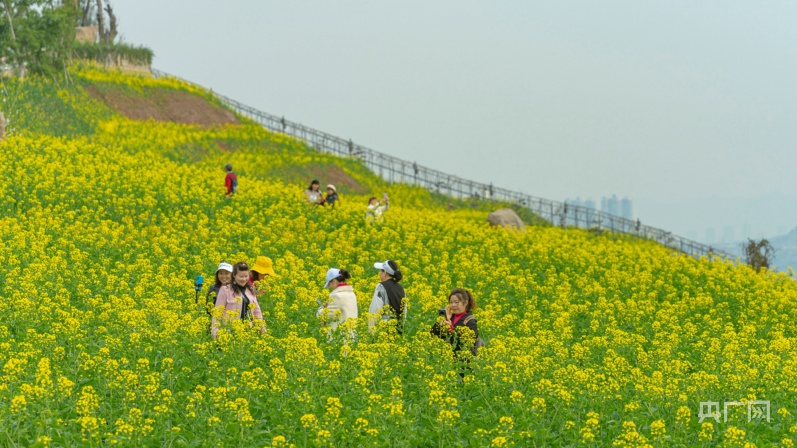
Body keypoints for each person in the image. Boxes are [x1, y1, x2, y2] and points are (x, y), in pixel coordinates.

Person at [211, 261, 266, 340]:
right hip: (229, 333)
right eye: (241, 276)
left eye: (246, 276)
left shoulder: (250, 290)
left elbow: (257, 313)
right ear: (234, 275)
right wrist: (215, 334)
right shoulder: (225, 290)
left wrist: (263, 331)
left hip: (248, 334)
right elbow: (217, 313)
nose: (244, 279)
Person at [430, 288, 479, 356]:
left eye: (456, 302)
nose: (453, 305)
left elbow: (469, 342)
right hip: (446, 359)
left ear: (465, 303)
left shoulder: (470, 321)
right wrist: (444, 319)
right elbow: (432, 334)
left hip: (463, 361)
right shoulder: (450, 317)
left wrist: (451, 328)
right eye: (451, 302)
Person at [368, 260, 406, 332]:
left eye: (380, 271)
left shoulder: (381, 286)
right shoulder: (401, 288)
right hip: (397, 330)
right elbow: (404, 312)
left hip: (383, 330)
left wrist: (372, 331)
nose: (379, 273)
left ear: (385, 272)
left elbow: (375, 310)